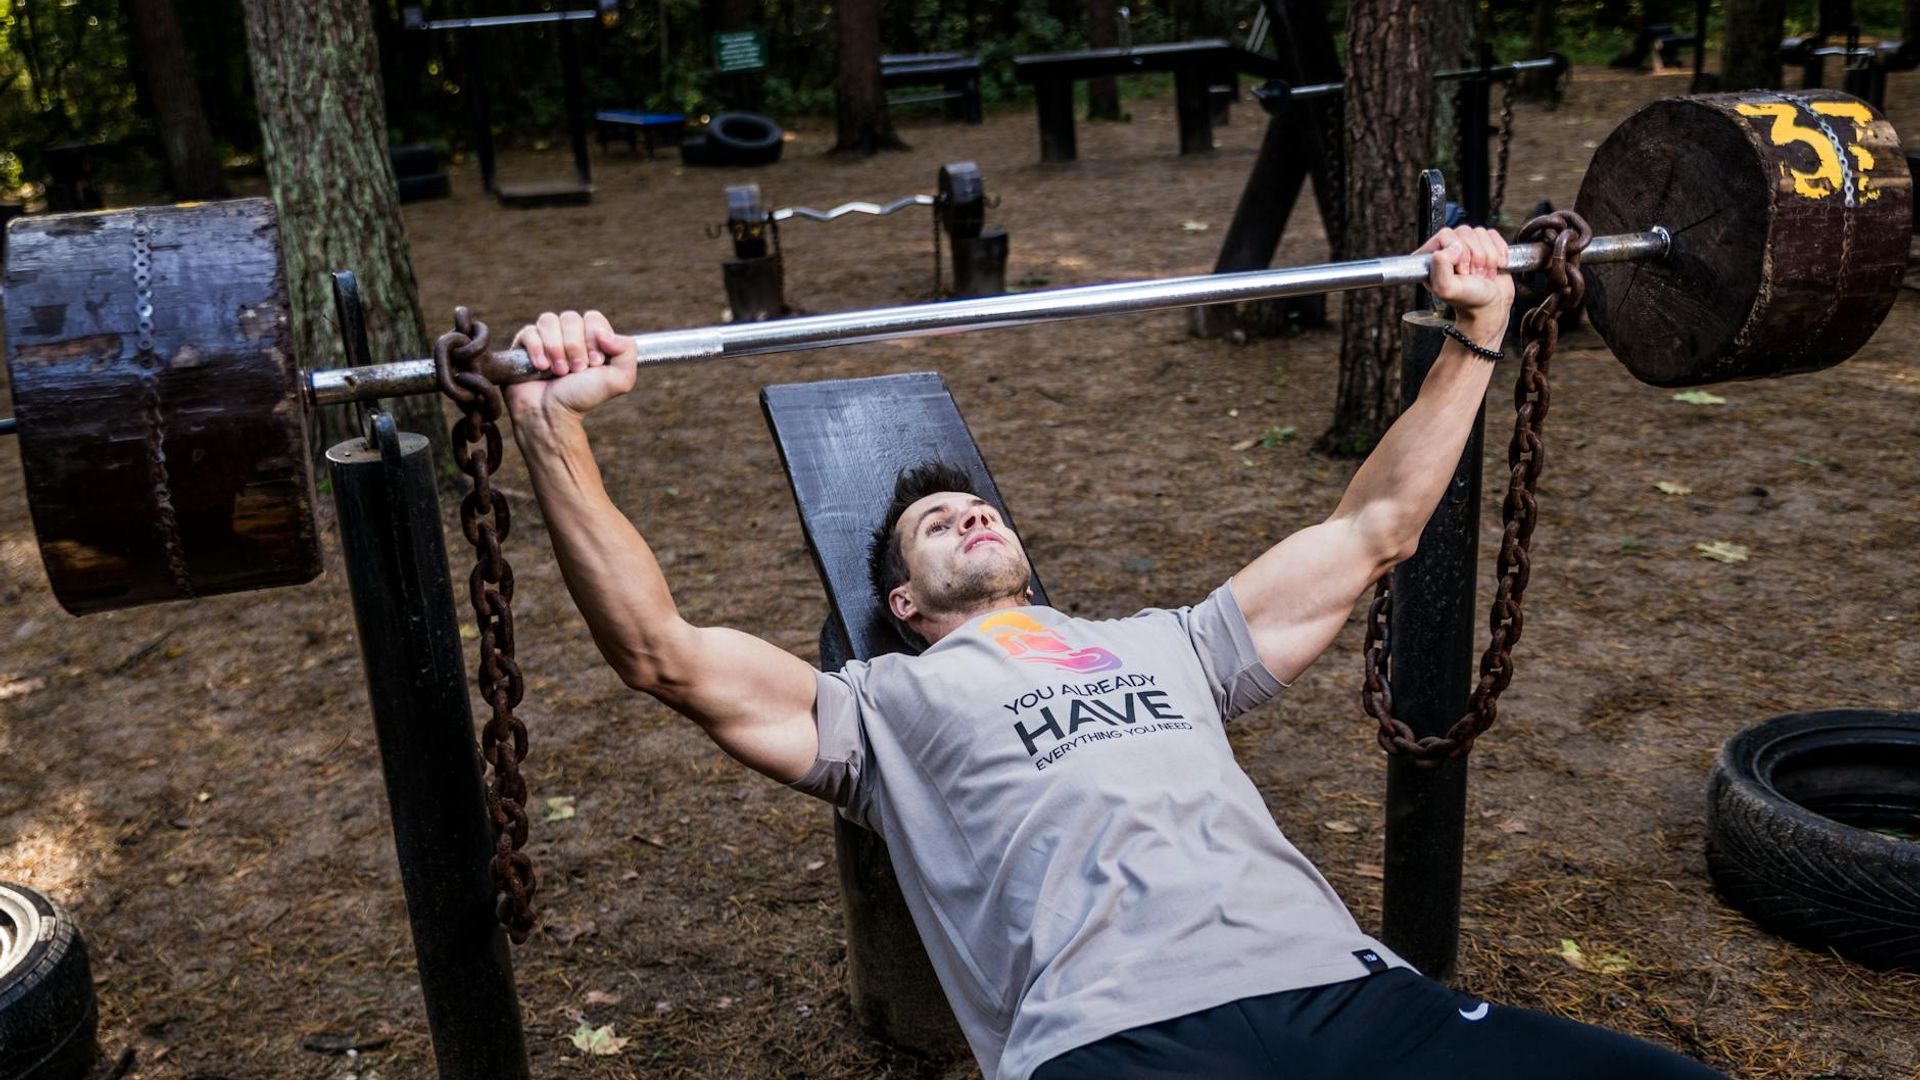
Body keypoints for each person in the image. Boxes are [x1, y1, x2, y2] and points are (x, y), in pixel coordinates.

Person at [503, 227, 1725, 1080]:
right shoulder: (876, 711)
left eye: (980, 508)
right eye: (937, 525)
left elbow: (1372, 528)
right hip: (1117, 1042)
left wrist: (1478, 334)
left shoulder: (1174, 645)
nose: (972, 515)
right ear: (903, 600)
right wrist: (552, 427)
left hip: (1347, 994)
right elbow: (661, 653)